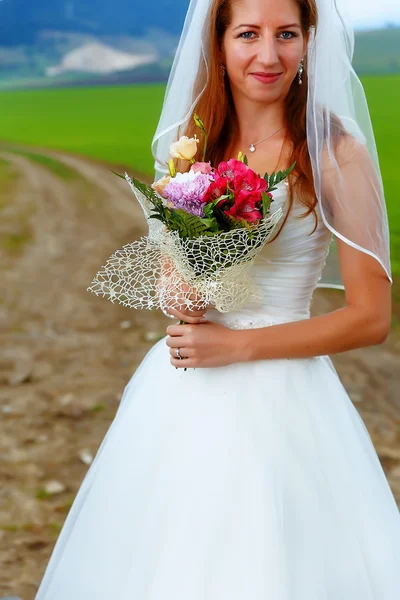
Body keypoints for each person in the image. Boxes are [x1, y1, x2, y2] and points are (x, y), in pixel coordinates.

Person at [35, 0, 400, 598]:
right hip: (182, 392)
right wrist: (180, 290)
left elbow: (371, 318)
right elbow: (173, 267)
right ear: (220, 40)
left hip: (283, 397)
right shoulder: (193, 147)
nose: (268, 54)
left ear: (309, 41)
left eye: (287, 34)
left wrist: (235, 346)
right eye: (248, 34)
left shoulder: (334, 155)